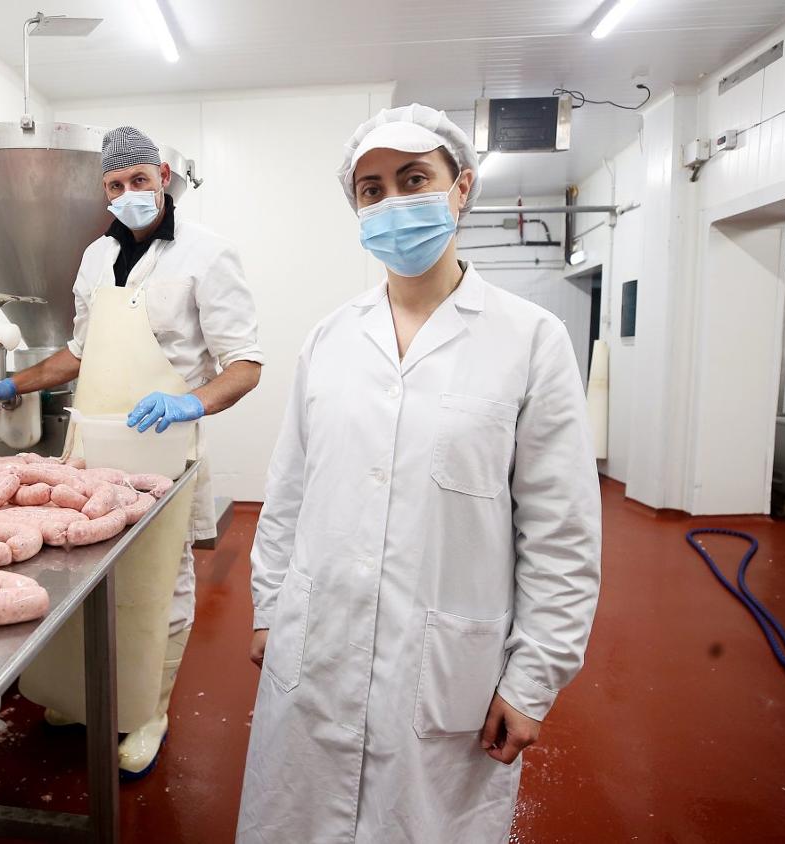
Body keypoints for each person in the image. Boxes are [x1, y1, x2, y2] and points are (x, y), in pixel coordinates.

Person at [236, 104, 601, 842]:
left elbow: (560, 533)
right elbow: (290, 492)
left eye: (414, 179)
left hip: (442, 674)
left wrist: (533, 681)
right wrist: (270, 608)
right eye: (372, 190)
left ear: (460, 187)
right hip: (319, 648)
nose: (393, 202)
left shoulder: (531, 340)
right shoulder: (330, 340)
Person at [0, 126, 264, 775]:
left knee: (161, 581)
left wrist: (192, 401)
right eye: (114, 186)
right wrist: (13, 384)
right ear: (103, 191)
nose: (128, 193)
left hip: (165, 443)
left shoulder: (207, 255)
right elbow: (79, 353)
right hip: (93, 445)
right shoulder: (94, 258)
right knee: (80, 576)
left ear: (161, 174)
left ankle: (146, 712)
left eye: (137, 180)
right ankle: (79, 697)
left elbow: (245, 365)